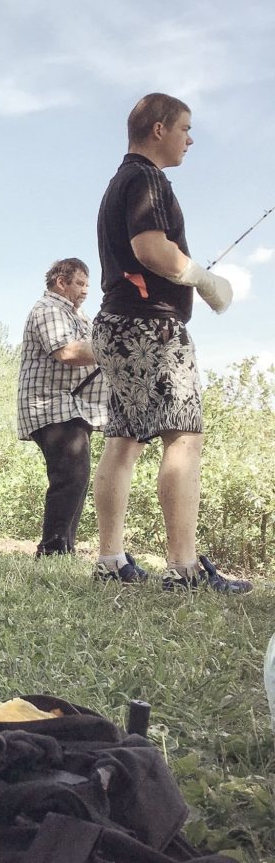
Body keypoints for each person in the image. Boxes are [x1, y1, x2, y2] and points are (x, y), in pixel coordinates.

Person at [91, 93, 250, 593]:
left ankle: (110, 560)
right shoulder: (147, 178)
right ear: (158, 129)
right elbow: (150, 248)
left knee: (123, 439)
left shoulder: (120, 180)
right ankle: (184, 570)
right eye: (185, 128)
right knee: (182, 436)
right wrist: (204, 279)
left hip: (115, 324)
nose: (191, 139)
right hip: (150, 329)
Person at [17, 258, 107, 557]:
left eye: (87, 285)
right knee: (70, 474)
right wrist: (115, 347)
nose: (86, 290)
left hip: (75, 406)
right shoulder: (48, 309)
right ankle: (53, 549)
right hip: (52, 404)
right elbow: (67, 352)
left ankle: (63, 547)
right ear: (61, 282)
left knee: (76, 476)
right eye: (80, 283)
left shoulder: (79, 317)